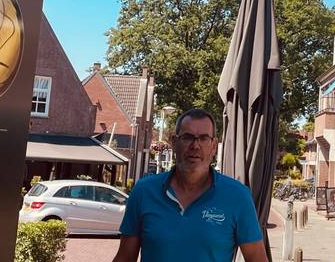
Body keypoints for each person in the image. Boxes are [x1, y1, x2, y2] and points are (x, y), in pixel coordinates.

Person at [112, 108, 268, 262]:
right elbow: (125, 257)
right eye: (187, 137)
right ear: (174, 142)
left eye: (204, 138)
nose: (195, 146)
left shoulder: (237, 196)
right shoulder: (144, 191)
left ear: (214, 146)